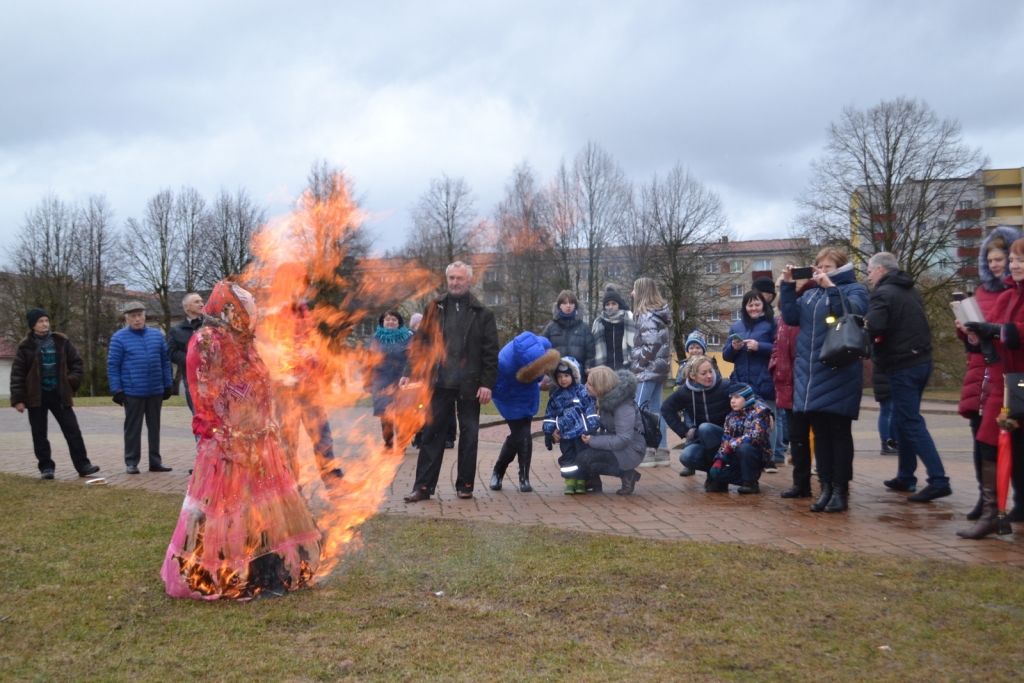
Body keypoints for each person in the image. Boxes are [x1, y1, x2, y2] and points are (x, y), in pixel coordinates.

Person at [161, 281, 321, 600]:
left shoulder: (245, 341)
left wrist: (267, 413)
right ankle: (224, 572)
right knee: (228, 509)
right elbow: (206, 389)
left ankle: (268, 569)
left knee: (264, 507)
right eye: (245, 313)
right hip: (225, 443)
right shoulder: (205, 341)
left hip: (259, 439)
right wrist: (224, 432)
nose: (251, 320)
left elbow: (256, 382)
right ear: (229, 310)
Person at [780, 247, 869, 512]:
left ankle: (841, 490)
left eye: (827, 267)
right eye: (819, 266)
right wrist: (787, 287)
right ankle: (826, 488)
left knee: (839, 434)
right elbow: (790, 317)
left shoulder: (856, 289)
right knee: (820, 435)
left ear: (840, 268)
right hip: (810, 374)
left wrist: (831, 286)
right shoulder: (809, 295)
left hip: (839, 370)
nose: (821, 271)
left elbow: (850, 314)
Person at [402, 261, 499, 502]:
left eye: (459, 278)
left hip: (470, 385)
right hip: (438, 383)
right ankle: (423, 487)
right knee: (431, 436)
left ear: (469, 281)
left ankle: (465, 485)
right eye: (451, 278)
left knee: (469, 437)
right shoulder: (434, 308)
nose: (455, 282)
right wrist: (409, 371)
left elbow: (490, 353)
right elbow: (420, 344)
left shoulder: (483, 314)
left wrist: (486, 383)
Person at [865, 252, 951, 503]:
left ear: (880, 270)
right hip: (921, 362)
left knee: (911, 422)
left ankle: (938, 480)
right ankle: (905, 476)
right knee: (903, 421)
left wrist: (856, 337)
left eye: (869, 271)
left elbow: (874, 327)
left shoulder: (883, 293)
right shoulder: (910, 291)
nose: (869, 277)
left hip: (902, 365)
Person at [959, 236, 1024, 538]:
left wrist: (997, 330)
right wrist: (974, 333)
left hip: (1018, 380)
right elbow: (992, 340)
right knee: (988, 443)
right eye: (1013, 260)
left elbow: (1011, 332)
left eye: (1019, 260)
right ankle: (993, 514)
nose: (1014, 265)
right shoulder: (1006, 295)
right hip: (1004, 382)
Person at [262, 262, 344, 490]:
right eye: (296, 283)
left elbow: (312, 349)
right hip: (287, 390)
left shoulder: (305, 313)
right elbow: (269, 352)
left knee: (323, 438)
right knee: (289, 443)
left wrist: (319, 369)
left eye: (303, 284)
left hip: (310, 388)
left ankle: (334, 484)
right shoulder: (275, 316)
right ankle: (291, 490)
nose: (301, 289)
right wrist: (286, 373)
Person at [10, 309, 98, 479]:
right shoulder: (25, 346)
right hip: (37, 396)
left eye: (46, 320)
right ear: (32, 324)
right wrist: (19, 399)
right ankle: (46, 468)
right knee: (39, 433)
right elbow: (18, 375)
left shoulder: (62, 341)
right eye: (41, 321)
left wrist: (69, 382)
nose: (45, 324)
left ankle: (83, 465)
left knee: (73, 430)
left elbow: (77, 364)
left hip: (59, 395)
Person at [107, 301, 174, 474]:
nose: (137, 319)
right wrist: (117, 390)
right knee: (132, 429)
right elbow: (113, 365)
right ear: (127, 319)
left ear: (144, 316)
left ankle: (155, 461)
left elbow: (165, 361)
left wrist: (168, 384)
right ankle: (131, 462)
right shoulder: (119, 338)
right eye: (133, 316)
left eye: (139, 315)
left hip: (155, 390)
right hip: (132, 391)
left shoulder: (157, 335)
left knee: (155, 428)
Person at [490, 332, 561, 493]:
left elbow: (547, 353)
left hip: (527, 395)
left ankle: (517, 476)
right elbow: (496, 386)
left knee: (522, 435)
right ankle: (504, 472)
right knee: (521, 435)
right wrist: (508, 394)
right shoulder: (504, 363)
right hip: (508, 398)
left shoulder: (540, 345)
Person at [564, 366, 645, 495]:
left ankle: (627, 474)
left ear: (600, 387)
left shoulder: (623, 405)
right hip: (617, 445)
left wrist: (593, 440)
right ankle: (593, 480)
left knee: (585, 459)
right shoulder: (603, 399)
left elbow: (623, 439)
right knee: (582, 450)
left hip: (631, 449)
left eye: (589, 384)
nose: (585, 385)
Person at [722, 290, 778, 472]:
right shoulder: (736, 327)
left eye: (757, 304)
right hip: (742, 381)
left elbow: (779, 350)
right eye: (750, 305)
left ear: (763, 305)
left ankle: (770, 458)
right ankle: (746, 455)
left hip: (764, 379)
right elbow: (726, 356)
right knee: (744, 420)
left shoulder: (772, 324)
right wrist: (734, 347)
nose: (753, 308)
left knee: (767, 417)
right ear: (744, 307)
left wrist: (759, 346)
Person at [662, 355, 732, 481]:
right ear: (693, 376)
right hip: (703, 439)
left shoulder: (725, 386)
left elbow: (749, 396)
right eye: (703, 373)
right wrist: (684, 431)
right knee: (686, 457)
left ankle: (714, 477)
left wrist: (767, 413)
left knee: (705, 428)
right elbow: (666, 409)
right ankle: (718, 471)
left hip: (726, 436)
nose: (709, 376)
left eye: (711, 371)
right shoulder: (685, 392)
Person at [542, 356, 601, 494]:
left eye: (566, 375)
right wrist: (548, 431)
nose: (563, 379)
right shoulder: (556, 396)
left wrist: (592, 427)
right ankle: (570, 482)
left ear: (574, 375)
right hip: (566, 435)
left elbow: (590, 410)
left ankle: (581, 482)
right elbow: (550, 415)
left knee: (581, 457)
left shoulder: (582, 392)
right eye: (560, 376)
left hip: (582, 434)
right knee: (567, 458)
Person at [630, 277, 672, 466]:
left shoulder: (646, 315)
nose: (632, 293)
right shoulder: (658, 314)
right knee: (656, 409)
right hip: (659, 369)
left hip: (647, 370)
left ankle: (646, 450)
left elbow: (652, 342)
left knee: (639, 409)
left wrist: (640, 362)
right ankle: (662, 449)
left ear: (642, 292)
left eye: (634, 290)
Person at [707, 383, 772, 494]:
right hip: (735, 455)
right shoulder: (730, 417)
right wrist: (719, 459)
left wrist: (733, 443)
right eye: (731, 398)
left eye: (737, 397)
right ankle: (748, 477)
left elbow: (755, 435)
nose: (732, 401)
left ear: (747, 398)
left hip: (756, 454)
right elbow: (725, 439)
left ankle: (750, 483)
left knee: (745, 447)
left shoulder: (760, 412)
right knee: (716, 472)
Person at [368, 310, 413, 449]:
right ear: (382, 322)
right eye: (387, 319)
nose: (390, 322)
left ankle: (402, 444)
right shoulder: (375, 338)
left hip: (402, 380)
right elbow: (369, 360)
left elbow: (414, 358)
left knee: (402, 413)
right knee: (385, 414)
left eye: (394, 319)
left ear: (399, 322)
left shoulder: (408, 337)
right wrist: (368, 380)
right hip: (382, 381)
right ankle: (388, 444)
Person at [167, 292, 205, 414]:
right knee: (199, 416)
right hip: (191, 380)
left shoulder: (210, 325)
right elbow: (172, 352)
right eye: (196, 302)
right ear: (186, 306)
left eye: (201, 301)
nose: (201, 304)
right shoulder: (177, 330)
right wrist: (192, 360)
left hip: (213, 379)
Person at [541, 290, 595, 376]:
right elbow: (543, 352)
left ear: (575, 306)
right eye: (565, 303)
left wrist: (587, 371)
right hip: (557, 377)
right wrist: (549, 372)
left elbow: (590, 353)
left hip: (579, 377)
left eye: (571, 303)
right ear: (559, 306)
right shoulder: (550, 328)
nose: (568, 306)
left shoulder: (584, 328)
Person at [591, 286, 635, 371]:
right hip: (605, 370)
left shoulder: (629, 319)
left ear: (619, 304)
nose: (610, 307)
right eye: (607, 304)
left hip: (626, 369)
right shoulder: (599, 322)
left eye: (614, 303)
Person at [872, 357, 897, 454]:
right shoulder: (881, 346)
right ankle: (886, 443)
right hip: (885, 381)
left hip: (885, 380)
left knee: (891, 412)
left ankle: (891, 442)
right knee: (886, 412)